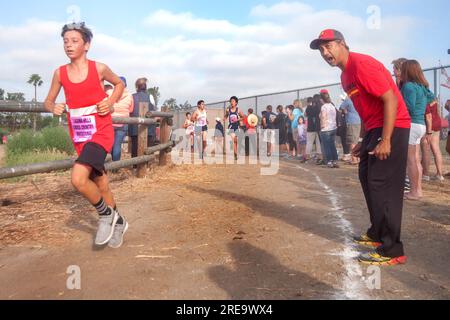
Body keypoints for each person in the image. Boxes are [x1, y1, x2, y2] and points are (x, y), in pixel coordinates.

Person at [311, 29, 411, 265]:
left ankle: (392, 249)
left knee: (382, 183)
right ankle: (377, 232)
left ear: (343, 44)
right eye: (321, 50)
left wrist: (386, 139)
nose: (325, 53)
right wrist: (364, 140)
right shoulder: (345, 76)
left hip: (393, 126)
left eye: (329, 46)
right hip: (375, 127)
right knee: (366, 176)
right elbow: (367, 109)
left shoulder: (362, 64)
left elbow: (391, 99)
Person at [44, 22, 128, 248]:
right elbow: (48, 101)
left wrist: (110, 102)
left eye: (74, 41)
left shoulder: (99, 68)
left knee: (78, 179)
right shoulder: (60, 73)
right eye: (65, 41)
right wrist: (54, 107)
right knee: (100, 183)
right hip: (80, 135)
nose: (69, 45)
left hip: (101, 131)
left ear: (87, 45)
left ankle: (105, 216)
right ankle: (119, 221)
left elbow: (119, 83)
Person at [401, 60, 436, 200]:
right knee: (415, 159)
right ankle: (418, 189)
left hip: (412, 125)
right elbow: (432, 99)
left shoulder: (409, 86)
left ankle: (415, 192)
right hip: (420, 125)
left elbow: (407, 106)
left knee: (411, 160)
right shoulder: (421, 86)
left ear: (407, 71)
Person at [108, 77, 134, 162]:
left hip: (110, 122)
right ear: (125, 85)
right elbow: (131, 109)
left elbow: (106, 105)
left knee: (108, 144)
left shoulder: (109, 92)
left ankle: (107, 165)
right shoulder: (129, 95)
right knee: (117, 145)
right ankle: (115, 167)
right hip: (123, 122)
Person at [130, 78, 156, 158]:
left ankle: (135, 166)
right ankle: (147, 164)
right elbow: (153, 109)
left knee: (135, 146)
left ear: (137, 87)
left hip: (134, 126)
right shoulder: (150, 96)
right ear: (145, 87)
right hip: (148, 127)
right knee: (148, 146)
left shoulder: (132, 96)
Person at [421, 100, 445, 181]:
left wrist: (429, 132)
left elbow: (428, 116)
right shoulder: (431, 96)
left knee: (426, 150)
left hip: (429, 124)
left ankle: (425, 174)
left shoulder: (423, 97)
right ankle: (439, 174)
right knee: (436, 149)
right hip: (437, 122)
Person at [340, 94, 361, 165]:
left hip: (351, 122)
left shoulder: (348, 100)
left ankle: (354, 158)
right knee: (356, 140)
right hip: (358, 121)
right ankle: (357, 158)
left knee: (352, 141)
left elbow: (340, 108)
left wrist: (345, 111)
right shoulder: (356, 99)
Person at [319, 92, 339, 168]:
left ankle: (329, 161)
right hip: (333, 128)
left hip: (326, 129)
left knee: (327, 146)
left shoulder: (324, 107)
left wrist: (322, 126)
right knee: (332, 145)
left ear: (322, 99)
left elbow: (323, 117)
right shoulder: (332, 105)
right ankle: (335, 161)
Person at [305, 95, 323, 164]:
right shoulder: (320, 107)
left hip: (310, 127)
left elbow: (305, 114)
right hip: (318, 127)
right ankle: (319, 157)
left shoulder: (308, 107)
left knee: (309, 142)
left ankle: (307, 156)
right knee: (318, 142)